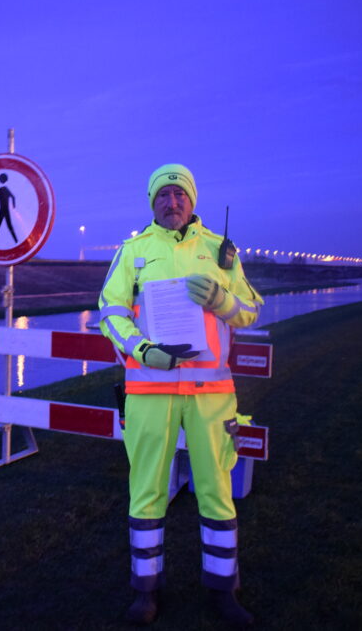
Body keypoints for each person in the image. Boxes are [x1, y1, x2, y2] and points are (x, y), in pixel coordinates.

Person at [98, 164, 263, 627]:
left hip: (211, 396)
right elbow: (109, 312)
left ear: (192, 201)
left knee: (216, 492)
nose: (171, 202)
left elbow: (250, 310)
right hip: (150, 393)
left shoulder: (219, 251)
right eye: (163, 195)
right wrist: (143, 350)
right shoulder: (133, 252)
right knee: (146, 492)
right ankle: (146, 591)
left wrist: (222, 300)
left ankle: (223, 591)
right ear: (151, 201)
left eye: (179, 195)